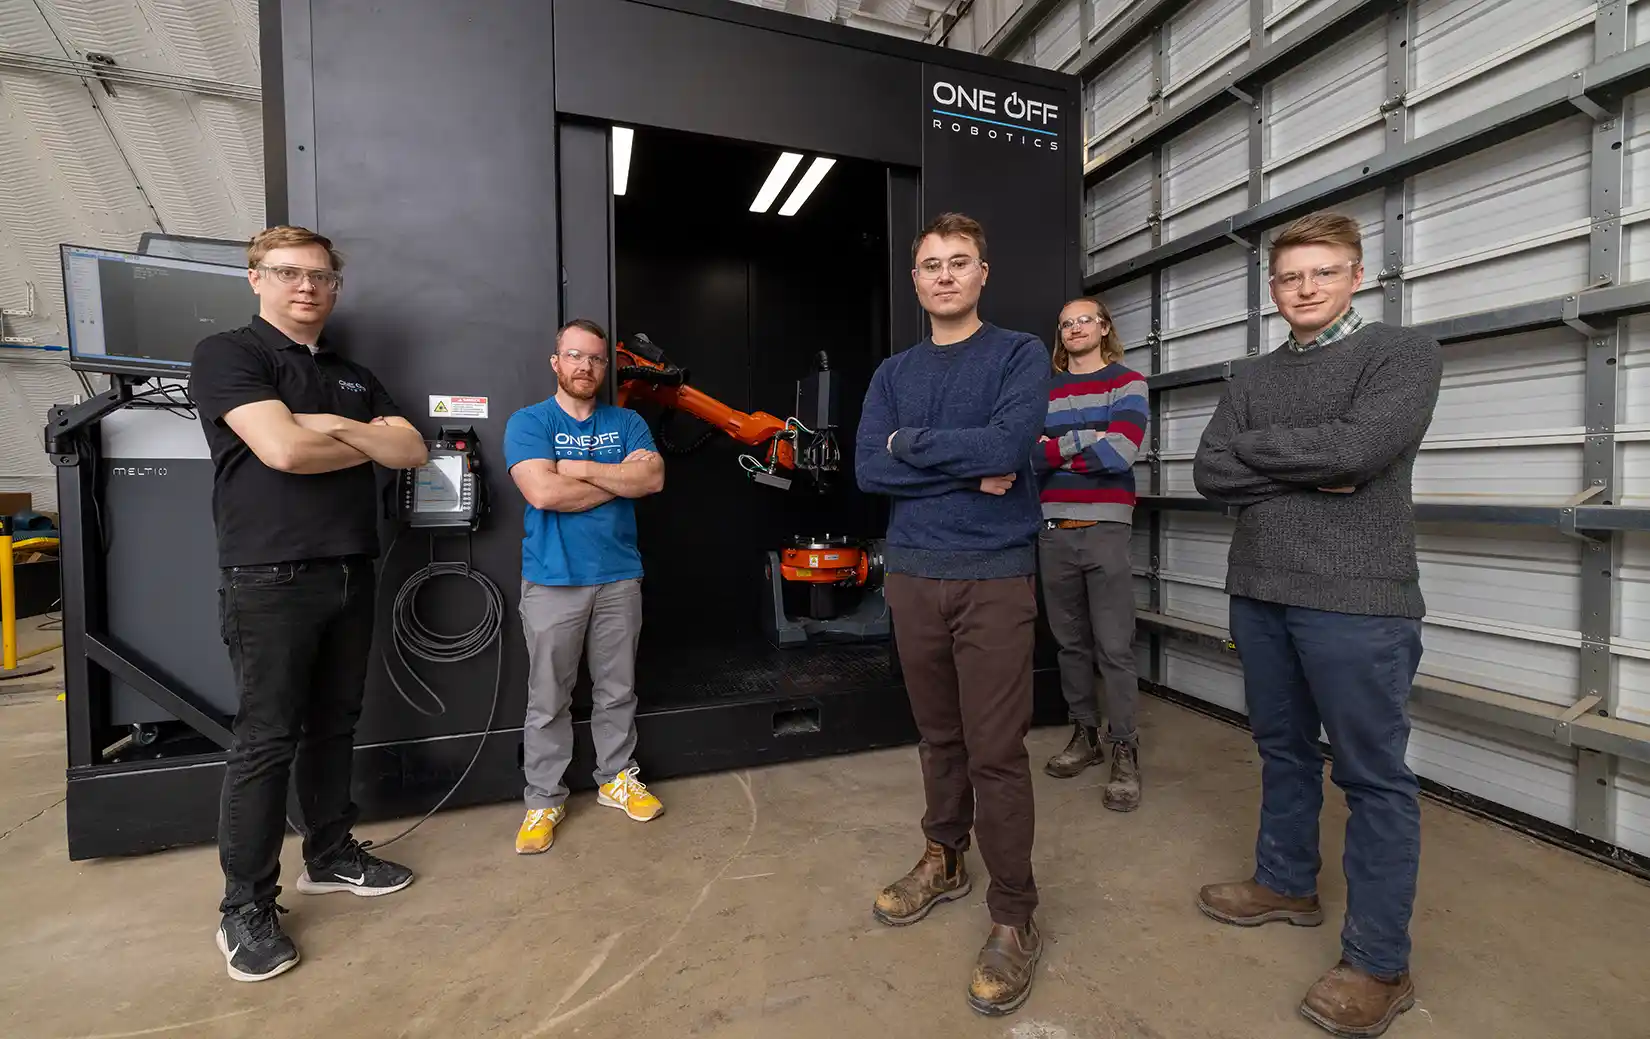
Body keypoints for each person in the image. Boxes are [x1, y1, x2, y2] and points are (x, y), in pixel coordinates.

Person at [1190, 211, 1442, 1038]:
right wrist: (1321, 465)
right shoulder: (1250, 375)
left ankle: (1379, 962)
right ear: (1272, 289)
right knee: (1281, 747)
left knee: (1373, 777)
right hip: (1258, 590)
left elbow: (1361, 451)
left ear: (1356, 275)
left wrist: (1291, 457)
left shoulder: (1401, 354)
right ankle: (1285, 881)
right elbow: (1208, 469)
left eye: (1322, 273)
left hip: (1359, 599)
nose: (1305, 289)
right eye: (1290, 277)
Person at [188, 225, 431, 983]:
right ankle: (244, 908)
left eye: (322, 276)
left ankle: (328, 854)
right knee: (266, 739)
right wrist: (351, 439)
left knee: (336, 724)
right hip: (269, 575)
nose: (307, 287)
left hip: (352, 570)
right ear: (255, 278)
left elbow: (413, 450)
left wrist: (327, 424)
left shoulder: (354, 376)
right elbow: (282, 452)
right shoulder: (231, 354)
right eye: (289, 272)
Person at [855, 212, 1050, 1017]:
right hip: (913, 576)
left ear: (981, 273)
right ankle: (945, 856)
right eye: (930, 263)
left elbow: (1010, 449)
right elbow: (870, 467)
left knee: (996, 752)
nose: (944, 275)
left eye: (958, 262)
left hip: (995, 579)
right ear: (915, 279)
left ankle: (1014, 912)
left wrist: (913, 448)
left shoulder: (1019, 354)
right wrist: (961, 471)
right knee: (939, 737)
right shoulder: (892, 373)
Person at [503, 318, 666, 855]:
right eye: (575, 356)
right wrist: (616, 478)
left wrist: (574, 467)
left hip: (619, 577)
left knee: (617, 688)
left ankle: (617, 777)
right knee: (548, 697)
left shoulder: (629, 421)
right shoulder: (529, 422)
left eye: (595, 359)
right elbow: (544, 494)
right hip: (552, 581)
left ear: (605, 366)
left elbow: (653, 480)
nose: (585, 367)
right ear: (556, 362)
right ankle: (543, 799)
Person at [1031, 296, 1148, 810]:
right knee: (1069, 644)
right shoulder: (1044, 389)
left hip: (1105, 528)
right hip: (1053, 530)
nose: (1075, 328)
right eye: (1066, 323)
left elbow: (1122, 452)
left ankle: (1125, 747)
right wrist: (1085, 439)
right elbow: (1028, 456)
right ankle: (1086, 735)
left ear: (1103, 327)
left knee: (1115, 647)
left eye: (1085, 320)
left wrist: (1058, 452)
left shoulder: (1127, 383)